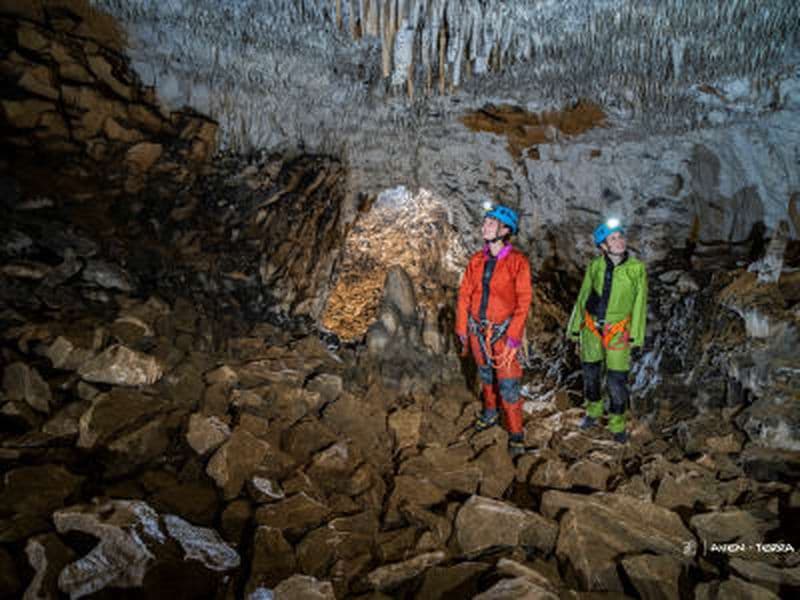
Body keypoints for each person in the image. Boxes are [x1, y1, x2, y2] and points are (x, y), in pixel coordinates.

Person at [456, 204, 533, 457]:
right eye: (485, 222)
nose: (484, 226)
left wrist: (514, 337)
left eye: (490, 223)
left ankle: (516, 434)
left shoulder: (517, 263)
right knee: (486, 377)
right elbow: (465, 294)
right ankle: (490, 413)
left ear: (505, 230)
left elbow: (523, 302)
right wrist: (462, 327)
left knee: (509, 386)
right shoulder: (476, 261)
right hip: (478, 331)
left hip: (503, 334)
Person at [566, 219, 648, 443]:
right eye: (613, 238)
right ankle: (593, 411)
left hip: (618, 330)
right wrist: (574, 328)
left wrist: (636, 337)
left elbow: (640, 304)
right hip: (591, 327)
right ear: (603, 246)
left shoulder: (636, 269)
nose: (620, 241)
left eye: (621, 236)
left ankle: (617, 423)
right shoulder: (595, 266)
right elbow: (584, 296)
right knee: (591, 374)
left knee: (616, 379)